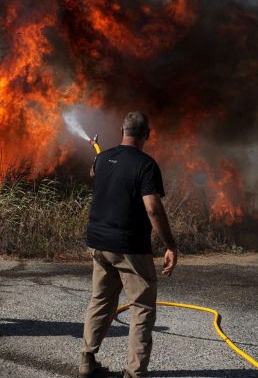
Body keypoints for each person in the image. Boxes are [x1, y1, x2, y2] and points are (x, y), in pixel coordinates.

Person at [80, 111, 178, 377]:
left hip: (98, 244)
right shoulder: (146, 165)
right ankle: (134, 373)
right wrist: (170, 244)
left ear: (122, 131)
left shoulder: (102, 158)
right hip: (129, 247)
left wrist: (100, 156)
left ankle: (87, 360)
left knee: (100, 300)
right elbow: (153, 208)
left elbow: (93, 172)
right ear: (147, 134)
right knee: (142, 308)